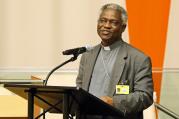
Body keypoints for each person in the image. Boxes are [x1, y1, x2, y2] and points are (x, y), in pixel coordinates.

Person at [76, 3, 154, 119]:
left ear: (123, 27)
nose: (106, 26)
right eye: (103, 20)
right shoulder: (88, 55)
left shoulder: (139, 59)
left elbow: (145, 96)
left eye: (113, 22)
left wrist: (114, 102)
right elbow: (80, 87)